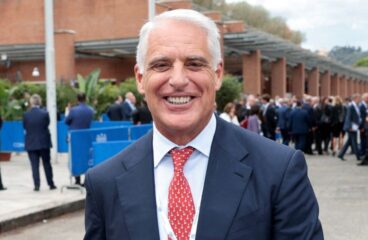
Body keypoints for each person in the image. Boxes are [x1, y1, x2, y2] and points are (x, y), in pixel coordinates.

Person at [84, 9, 323, 240]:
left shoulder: (279, 171)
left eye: (194, 64)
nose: (178, 80)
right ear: (140, 79)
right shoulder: (104, 182)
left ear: (217, 75)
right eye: (161, 65)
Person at [23, 94, 57, 191]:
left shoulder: (26, 114)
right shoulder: (45, 114)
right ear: (40, 102)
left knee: (34, 165)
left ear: (31, 102)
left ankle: (36, 185)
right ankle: (51, 183)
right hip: (43, 142)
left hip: (31, 143)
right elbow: (47, 124)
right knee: (46, 163)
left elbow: (25, 126)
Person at [65, 92, 94, 185]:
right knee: (86, 157)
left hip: (74, 138)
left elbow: (66, 121)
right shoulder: (90, 110)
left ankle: (77, 179)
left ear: (77, 99)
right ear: (85, 99)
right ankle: (86, 179)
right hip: (85, 137)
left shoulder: (73, 110)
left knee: (75, 157)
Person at [337, 93, 361, 161]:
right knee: (354, 141)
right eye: (359, 98)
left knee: (349, 141)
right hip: (352, 127)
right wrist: (349, 126)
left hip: (355, 126)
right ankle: (358, 156)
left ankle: (341, 154)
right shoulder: (351, 106)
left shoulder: (356, 105)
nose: (360, 100)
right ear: (355, 98)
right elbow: (348, 117)